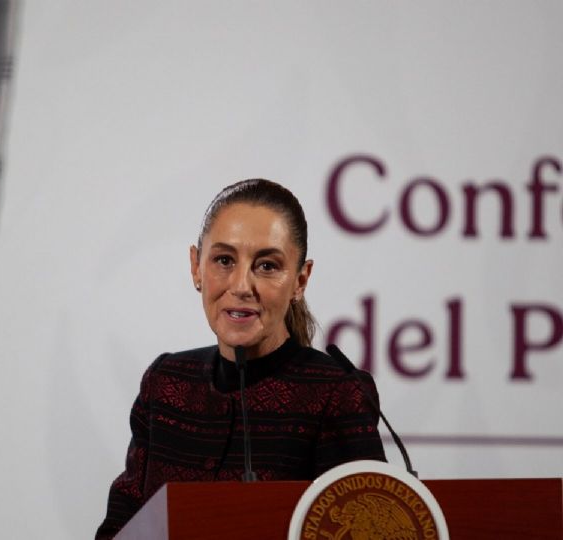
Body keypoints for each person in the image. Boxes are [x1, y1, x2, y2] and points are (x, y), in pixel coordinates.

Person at [95, 179, 386, 539]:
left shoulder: (335, 394)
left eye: (266, 266)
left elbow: (370, 526)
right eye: (223, 260)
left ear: (300, 280)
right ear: (196, 268)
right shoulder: (166, 383)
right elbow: (121, 528)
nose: (241, 285)